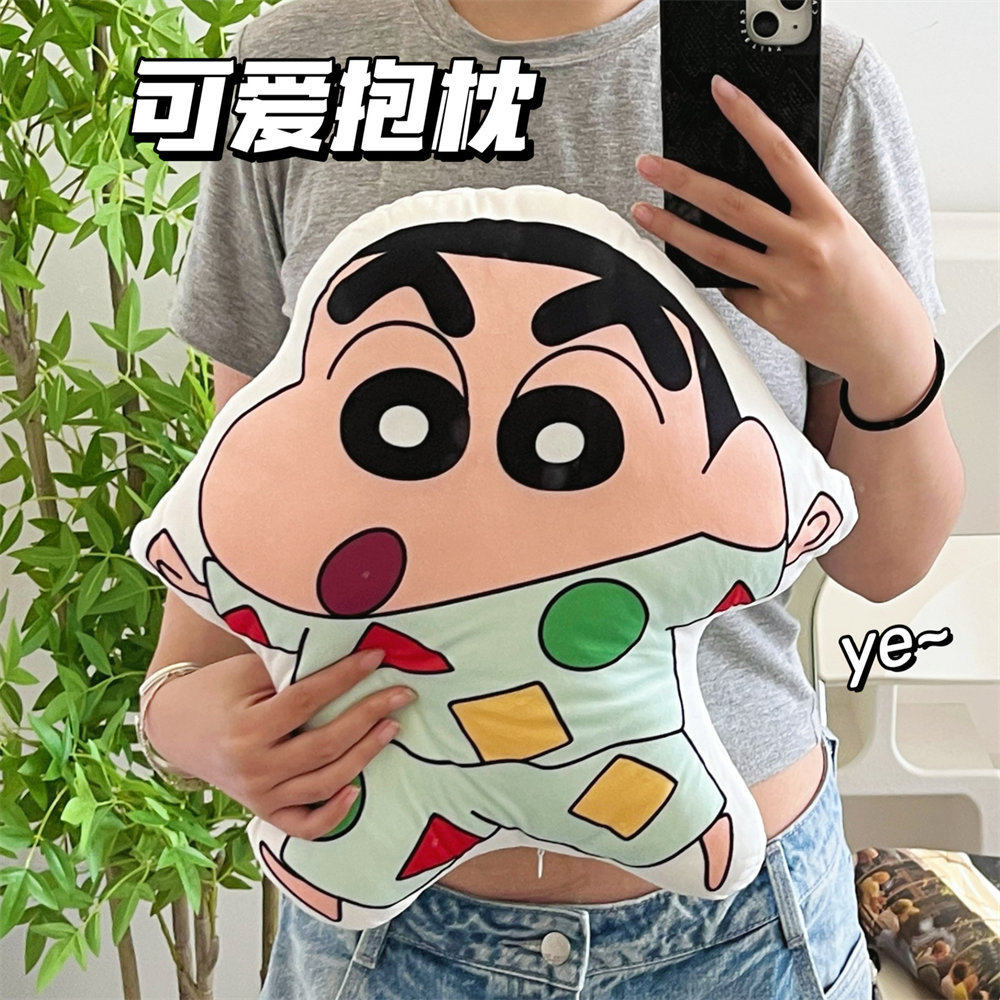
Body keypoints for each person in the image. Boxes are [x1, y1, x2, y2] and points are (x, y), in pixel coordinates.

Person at [140, 1, 964, 997]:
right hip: (384, 936)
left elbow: (884, 565)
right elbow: (245, 522)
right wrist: (182, 721)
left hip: (745, 931)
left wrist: (889, 354)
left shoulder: (815, 82)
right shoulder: (293, 66)